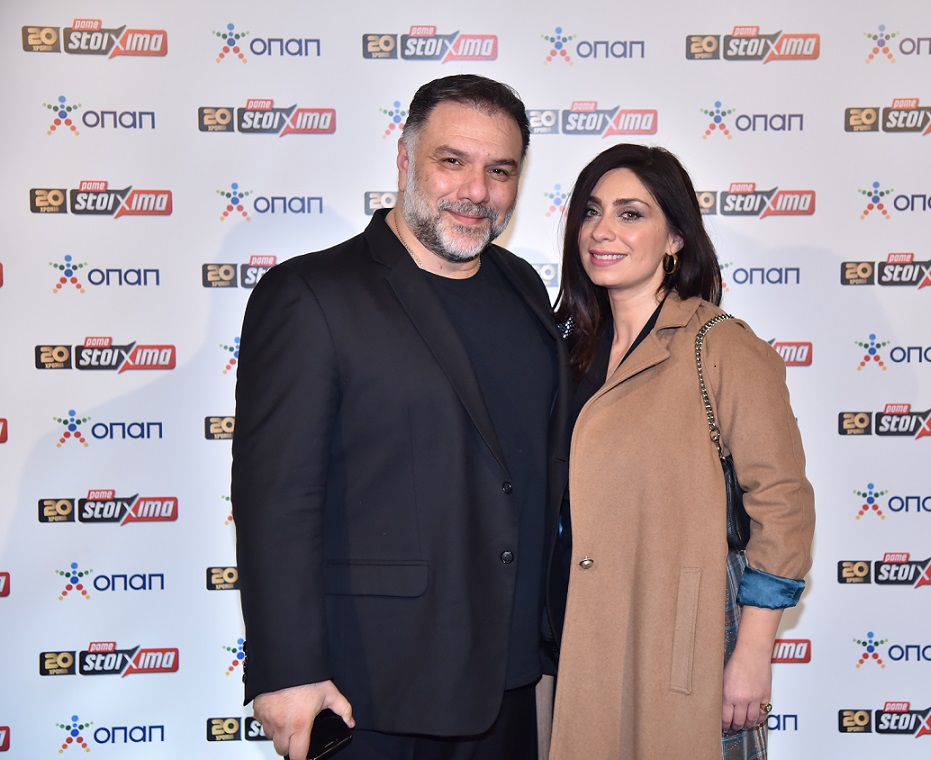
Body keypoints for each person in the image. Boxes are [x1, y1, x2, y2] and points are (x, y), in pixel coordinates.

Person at [231, 74, 569, 760]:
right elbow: (277, 500)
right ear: (404, 159)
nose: (476, 190)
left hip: (509, 680)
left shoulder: (522, 286)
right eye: (453, 161)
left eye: (499, 170)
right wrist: (287, 671)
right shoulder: (311, 295)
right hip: (372, 688)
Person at [547, 144, 815, 760]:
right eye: (590, 211)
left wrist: (752, 652)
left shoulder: (720, 346)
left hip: (682, 645)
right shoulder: (563, 351)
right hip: (569, 642)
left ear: (675, 238)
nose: (602, 230)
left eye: (630, 213)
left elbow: (783, 505)